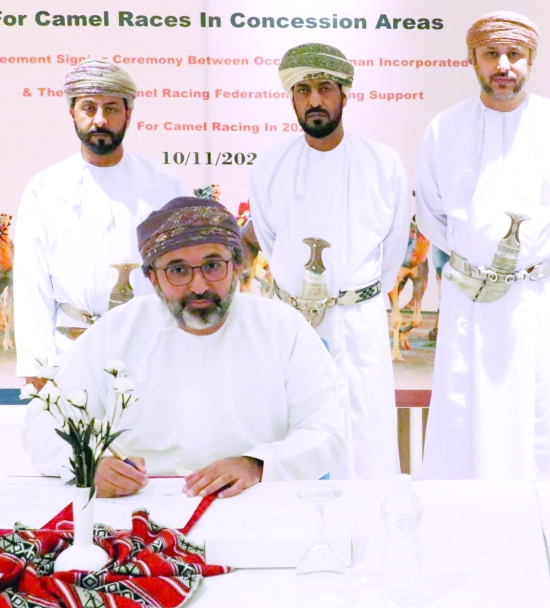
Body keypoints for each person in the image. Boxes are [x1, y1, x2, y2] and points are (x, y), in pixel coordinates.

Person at [22, 198, 348, 499]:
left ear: (237, 266)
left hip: (254, 499)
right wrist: (89, 463)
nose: (199, 286)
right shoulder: (118, 330)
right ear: (152, 278)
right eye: (178, 270)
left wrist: (258, 464)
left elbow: (326, 428)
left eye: (212, 266)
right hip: (135, 508)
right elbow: (43, 425)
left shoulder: (283, 328)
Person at [415, 11, 550, 479]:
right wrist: (475, 262)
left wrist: (533, 265)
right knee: (464, 412)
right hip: (468, 298)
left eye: (514, 55)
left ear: (530, 59)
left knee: (542, 413)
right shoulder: (443, 129)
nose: (503, 65)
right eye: (491, 54)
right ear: (472, 59)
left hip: (538, 296)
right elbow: (431, 213)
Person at [250, 43, 409, 480]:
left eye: (324, 88)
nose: (314, 100)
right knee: (297, 427)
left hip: (358, 323)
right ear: (292, 97)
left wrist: (352, 297)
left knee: (366, 435)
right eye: (302, 90)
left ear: (345, 94)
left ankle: (369, 539)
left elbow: (394, 247)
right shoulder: (270, 165)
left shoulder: (383, 163)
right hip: (292, 323)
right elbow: (266, 237)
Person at [15, 59, 188, 389]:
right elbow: (31, 281)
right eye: (89, 108)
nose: (100, 120)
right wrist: (38, 363)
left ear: (128, 114)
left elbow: (184, 273)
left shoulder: (164, 185)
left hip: (151, 352)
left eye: (111, 108)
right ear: (72, 114)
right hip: (70, 353)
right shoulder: (45, 188)